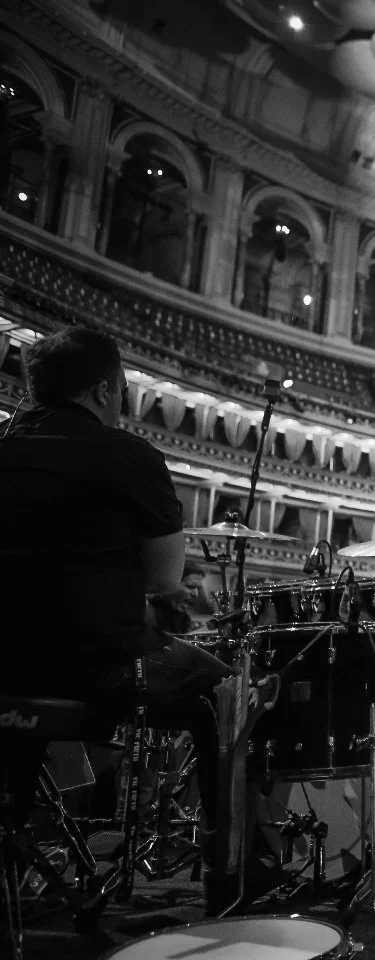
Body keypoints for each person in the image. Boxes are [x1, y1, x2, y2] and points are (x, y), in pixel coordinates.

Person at [0, 328, 235, 909]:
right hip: (96, 666)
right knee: (228, 693)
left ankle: (11, 840)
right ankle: (226, 867)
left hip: (4, 664)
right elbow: (162, 581)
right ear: (105, 389)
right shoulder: (129, 456)